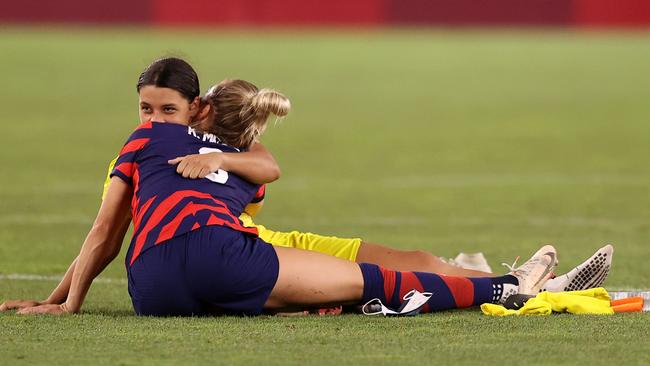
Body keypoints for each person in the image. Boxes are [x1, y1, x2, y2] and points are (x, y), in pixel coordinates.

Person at [2, 72, 563, 316]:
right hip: (244, 248)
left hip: (177, 267)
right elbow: (265, 169)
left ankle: (477, 270)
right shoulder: (253, 165)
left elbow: (106, 233)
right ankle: (507, 283)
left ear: (197, 110)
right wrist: (231, 156)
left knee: (364, 282)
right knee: (387, 273)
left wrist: (61, 300)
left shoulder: (150, 144)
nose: (155, 117)